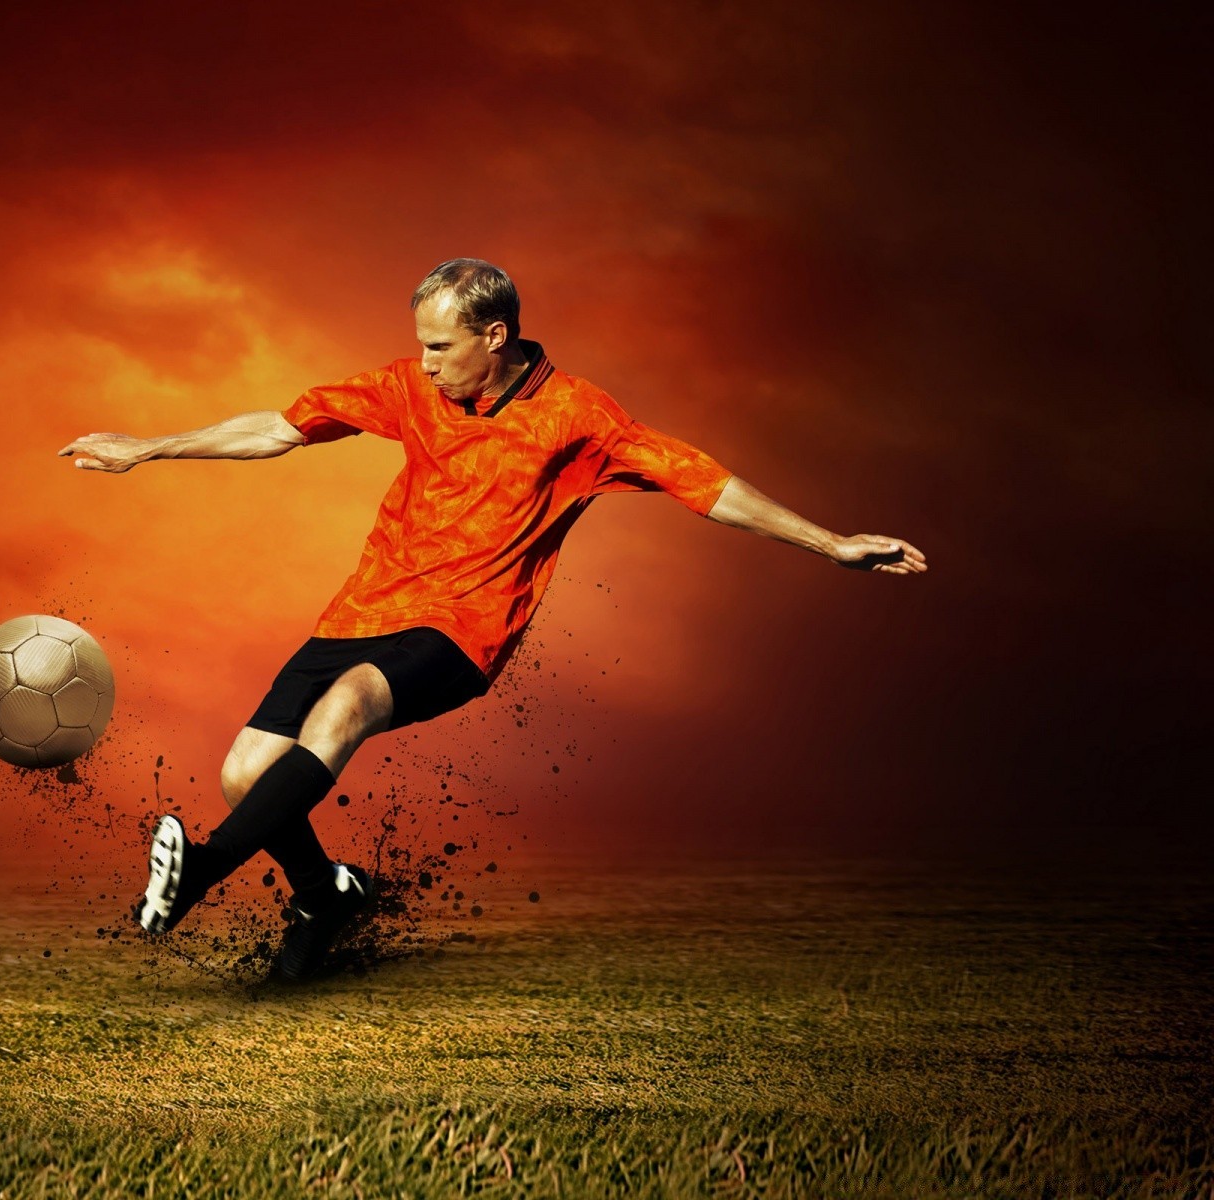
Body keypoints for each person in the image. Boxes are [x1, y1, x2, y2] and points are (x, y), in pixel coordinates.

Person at [58, 258, 926, 982]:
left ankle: (203, 870)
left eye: (441, 346)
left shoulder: (577, 417)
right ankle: (327, 896)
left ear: (494, 335)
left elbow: (705, 485)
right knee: (248, 773)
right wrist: (149, 447)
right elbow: (281, 428)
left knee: (351, 703)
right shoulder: (409, 390)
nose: (427, 363)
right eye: (420, 346)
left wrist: (832, 543)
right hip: (363, 608)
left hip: (463, 631)